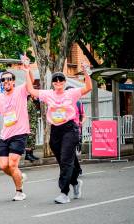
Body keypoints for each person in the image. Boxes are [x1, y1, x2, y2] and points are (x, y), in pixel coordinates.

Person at [25, 63, 92, 204]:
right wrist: (27, 70)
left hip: (70, 129)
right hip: (55, 130)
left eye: (61, 79)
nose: (58, 82)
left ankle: (64, 193)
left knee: (66, 160)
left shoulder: (71, 93)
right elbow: (30, 89)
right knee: (64, 160)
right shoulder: (48, 94)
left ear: (64, 82)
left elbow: (88, 88)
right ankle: (75, 181)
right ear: (52, 83)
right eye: (55, 80)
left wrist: (86, 72)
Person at [0, 67, 34, 201]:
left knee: (12, 165)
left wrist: (28, 70)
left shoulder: (21, 91)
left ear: (13, 82)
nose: (6, 81)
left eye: (9, 79)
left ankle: (19, 192)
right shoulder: (0, 98)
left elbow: (31, 82)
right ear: (1, 83)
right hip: (5, 135)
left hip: (19, 134)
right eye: (3, 80)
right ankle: (19, 176)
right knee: (4, 166)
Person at [65, 86, 86, 175]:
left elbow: (84, 115)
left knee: (70, 151)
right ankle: (76, 169)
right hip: (63, 130)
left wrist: (81, 123)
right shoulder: (62, 103)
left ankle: (72, 170)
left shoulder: (78, 103)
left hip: (74, 130)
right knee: (68, 152)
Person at [25, 95, 40, 162]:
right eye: (35, 96)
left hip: (33, 125)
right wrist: (27, 124)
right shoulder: (29, 103)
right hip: (30, 125)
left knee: (32, 140)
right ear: (31, 96)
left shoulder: (32, 103)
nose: (36, 97)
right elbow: (26, 113)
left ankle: (31, 154)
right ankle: (27, 155)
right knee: (29, 140)